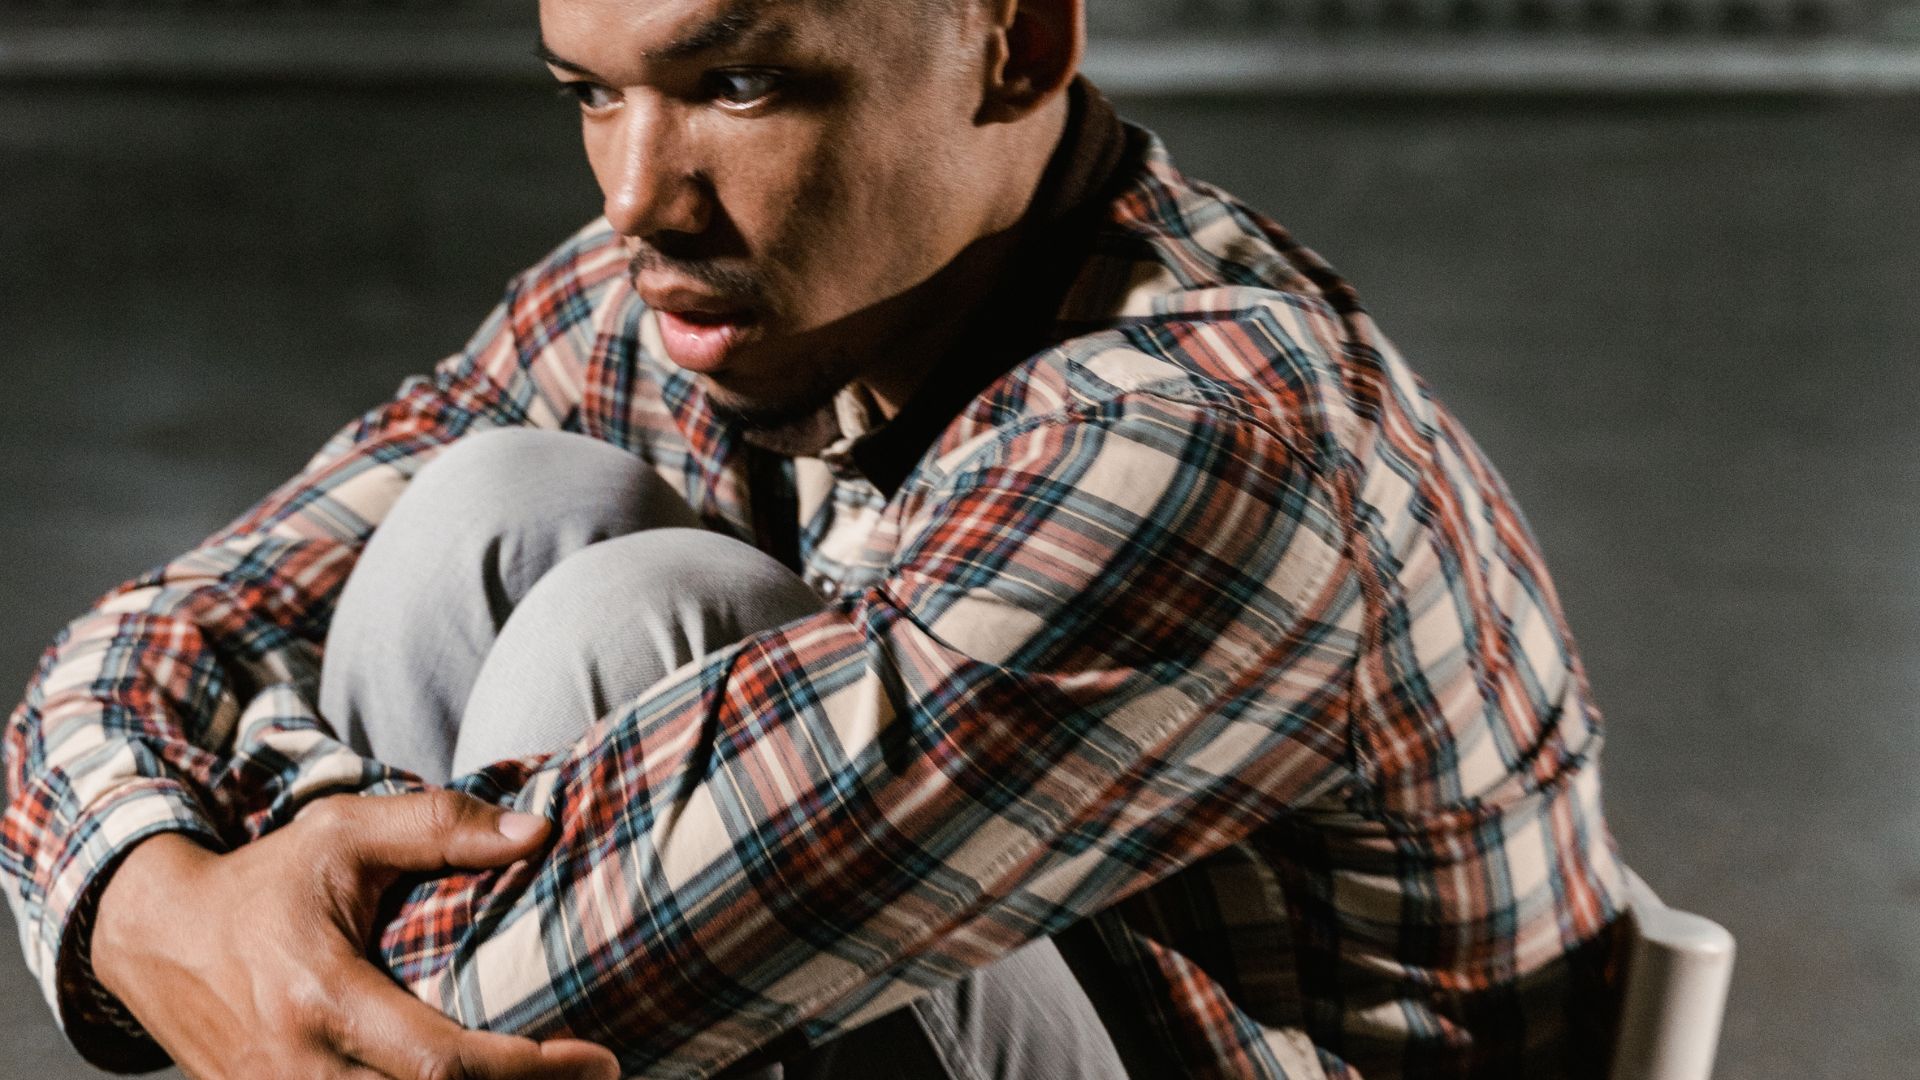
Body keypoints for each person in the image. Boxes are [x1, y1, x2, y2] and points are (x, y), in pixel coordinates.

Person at [1, 0, 1633, 1076]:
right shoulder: (682, 298)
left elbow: (462, 1025)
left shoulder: (1203, 442)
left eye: (739, 83)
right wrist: (158, 896)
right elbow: (165, 646)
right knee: (498, 512)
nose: (641, 195)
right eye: (591, 94)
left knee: (648, 623)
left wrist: (233, 901)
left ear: (1015, 39)